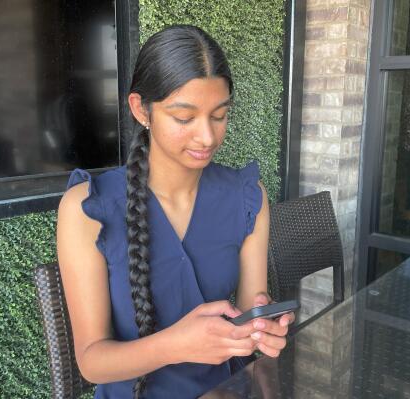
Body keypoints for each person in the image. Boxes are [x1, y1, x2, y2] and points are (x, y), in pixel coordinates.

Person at [56, 25, 293, 399]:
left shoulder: (247, 198)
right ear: (141, 109)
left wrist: (263, 328)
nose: (207, 137)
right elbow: (91, 360)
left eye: (219, 115)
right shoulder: (87, 209)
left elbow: (252, 309)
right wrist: (175, 344)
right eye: (184, 118)